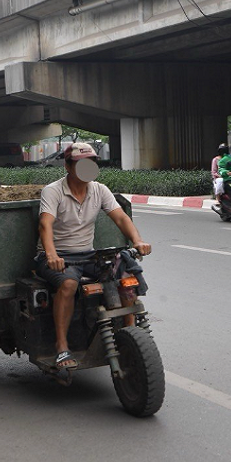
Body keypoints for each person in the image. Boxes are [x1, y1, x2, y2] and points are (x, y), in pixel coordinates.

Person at [36, 143, 152, 370]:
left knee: (125, 273)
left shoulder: (100, 189)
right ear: (68, 166)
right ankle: (62, 347)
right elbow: (44, 224)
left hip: (88, 255)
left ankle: (129, 334)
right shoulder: (53, 191)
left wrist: (137, 241)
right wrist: (51, 255)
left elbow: (121, 218)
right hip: (58, 256)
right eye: (81, 164)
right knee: (69, 284)